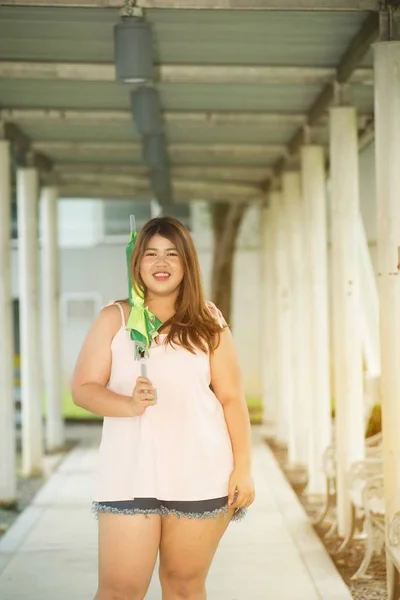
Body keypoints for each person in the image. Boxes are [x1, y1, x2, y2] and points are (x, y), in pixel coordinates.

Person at [72, 216, 255, 600]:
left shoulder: (209, 321)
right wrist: (128, 403)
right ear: (136, 262)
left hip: (201, 470)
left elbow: (231, 398)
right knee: (119, 590)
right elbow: (84, 389)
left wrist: (243, 469)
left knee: (184, 586)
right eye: (151, 253)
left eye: (172, 254)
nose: (161, 262)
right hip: (130, 470)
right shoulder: (115, 319)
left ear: (187, 264)